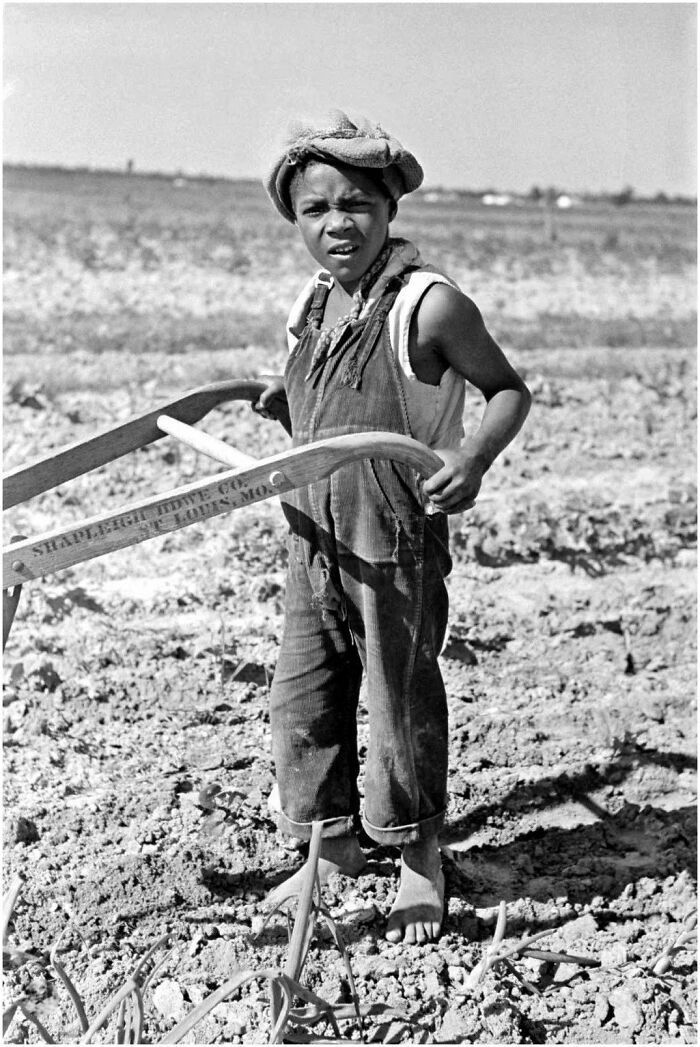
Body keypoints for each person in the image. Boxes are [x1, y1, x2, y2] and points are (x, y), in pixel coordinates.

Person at [254, 110, 531, 944]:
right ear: (296, 219)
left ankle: (417, 856)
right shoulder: (313, 303)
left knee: (399, 693)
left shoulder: (429, 304)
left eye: (357, 205)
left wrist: (474, 459)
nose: (338, 224)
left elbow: (508, 389)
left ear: (389, 211)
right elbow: (322, 396)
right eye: (316, 210)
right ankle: (331, 844)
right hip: (312, 531)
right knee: (303, 693)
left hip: (393, 534)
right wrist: (283, 403)